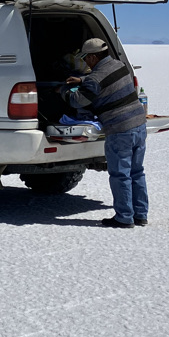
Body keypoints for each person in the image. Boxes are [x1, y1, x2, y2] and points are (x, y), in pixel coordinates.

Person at [65, 38, 148, 228]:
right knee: (137, 172)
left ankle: (124, 217)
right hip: (138, 124)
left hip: (120, 129)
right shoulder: (119, 65)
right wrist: (83, 79)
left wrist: (63, 92)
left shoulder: (95, 78)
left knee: (120, 174)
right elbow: (103, 80)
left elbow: (78, 101)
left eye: (86, 58)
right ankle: (140, 214)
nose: (85, 62)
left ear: (94, 57)